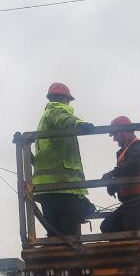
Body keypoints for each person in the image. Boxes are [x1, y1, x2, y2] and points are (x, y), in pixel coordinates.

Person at [32, 83, 97, 238]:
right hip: (62, 185)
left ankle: (55, 256)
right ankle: (68, 257)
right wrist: (81, 125)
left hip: (49, 187)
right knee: (67, 231)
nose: (68, 104)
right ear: (63, 99)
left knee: (55, 231)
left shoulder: (45, 119)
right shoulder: (56, 110)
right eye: (68, 101)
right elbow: (64, 118)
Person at [100, 115, 140, 234]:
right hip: (132, 201)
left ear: (122, 131)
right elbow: (127, 172)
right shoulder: (127, 149)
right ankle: (122, 251)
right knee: (107, 227)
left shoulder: (139, 146)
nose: (114, 139)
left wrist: (112, 174)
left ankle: (130, 251)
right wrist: (115, 186)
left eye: (115, 135)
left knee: (129, 235)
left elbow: (133, 165)